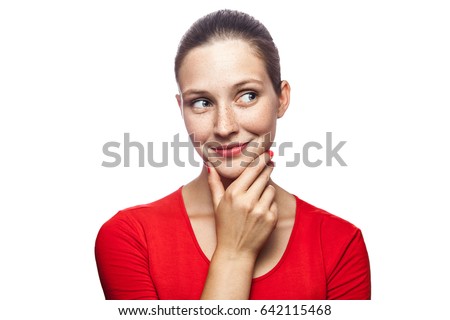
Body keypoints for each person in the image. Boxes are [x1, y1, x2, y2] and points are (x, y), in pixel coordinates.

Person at [95, 9, 371, 300]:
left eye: (248, 96)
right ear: (181, 109)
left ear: (282, 99)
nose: (224, 127)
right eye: (202, 102)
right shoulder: (129, 237)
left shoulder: (339, 243)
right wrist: (234, 253)